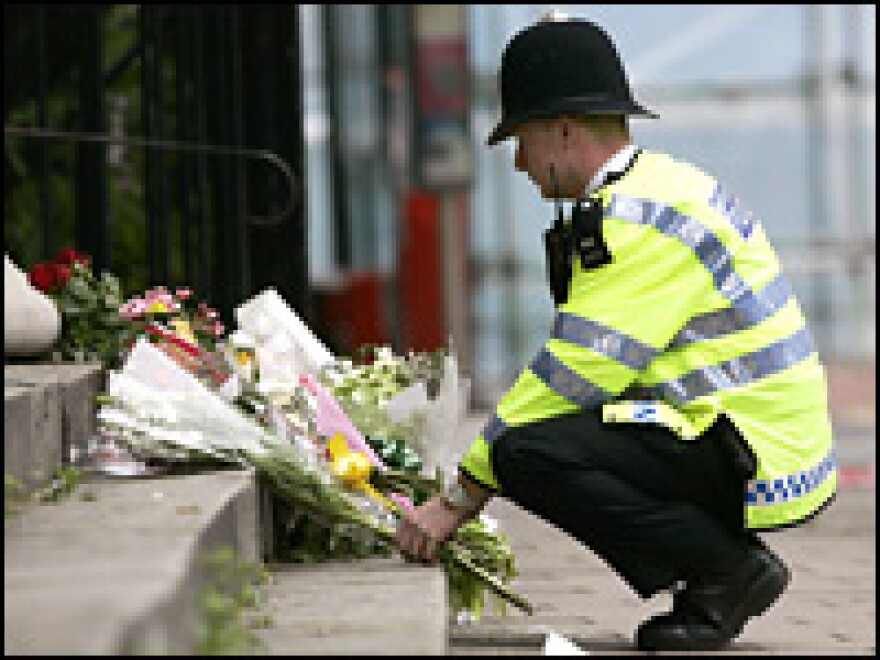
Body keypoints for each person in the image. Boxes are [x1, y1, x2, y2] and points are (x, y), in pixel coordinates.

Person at [394, 13, 837, 652]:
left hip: (749, 446)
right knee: (538, 441)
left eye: (523, 140)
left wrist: (460, 497)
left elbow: (573, 375)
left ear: (565, 130)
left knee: (525, 453)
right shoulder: (660, 189)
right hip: (746, 430)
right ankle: (717, 572)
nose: (519, 164)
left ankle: (727, 573)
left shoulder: (637, 222)